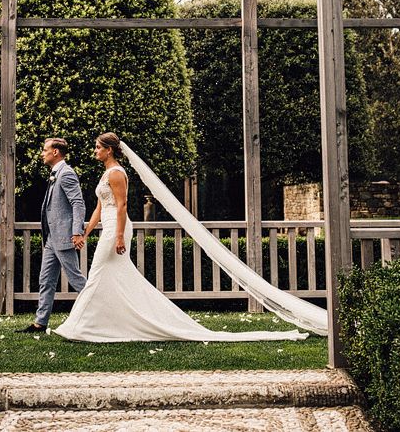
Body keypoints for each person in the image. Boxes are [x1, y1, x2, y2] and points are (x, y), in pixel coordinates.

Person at [54, 132, 308, 342]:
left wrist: (119, 236)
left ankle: (78, 326)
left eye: (97, 148)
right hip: (108, 227)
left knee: (98, 273)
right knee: (113, 277)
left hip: (116, 230)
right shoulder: (105, 174)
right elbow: (99, 207)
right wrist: (85, 232)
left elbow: (121, 207)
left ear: (109, 150)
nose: (94, 151)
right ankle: (110, 322)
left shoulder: (117, 173)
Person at [17, 137, 87, 333]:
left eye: (45, 149)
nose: (42, 153)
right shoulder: (55, 173)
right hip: (51, 238)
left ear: (55, 152)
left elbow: (78, 203)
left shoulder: (66, 174)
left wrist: (76, 232)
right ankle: (40, 322)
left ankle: (103, 313)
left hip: (64, 237)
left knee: (76, 280)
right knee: (46, 280)